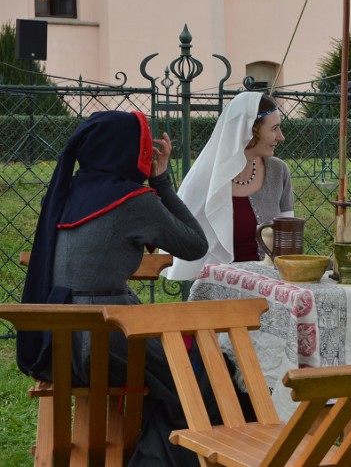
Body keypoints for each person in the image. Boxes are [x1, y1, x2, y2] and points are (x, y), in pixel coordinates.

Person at [17, 110, 213, 465]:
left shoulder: (65, 191)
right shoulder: (134, 201)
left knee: (172, 377)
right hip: (103, 340)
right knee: (200, 383)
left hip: (53, 346)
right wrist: (162, 181)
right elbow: (196, 245)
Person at [167, 91, 294, 279]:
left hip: (272, 286)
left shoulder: (278, 171)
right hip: (218, 288)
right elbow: (180, 237)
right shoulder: (204, 178)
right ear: (250, 129)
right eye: (274, 128)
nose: (281, 137)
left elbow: (290, 240)